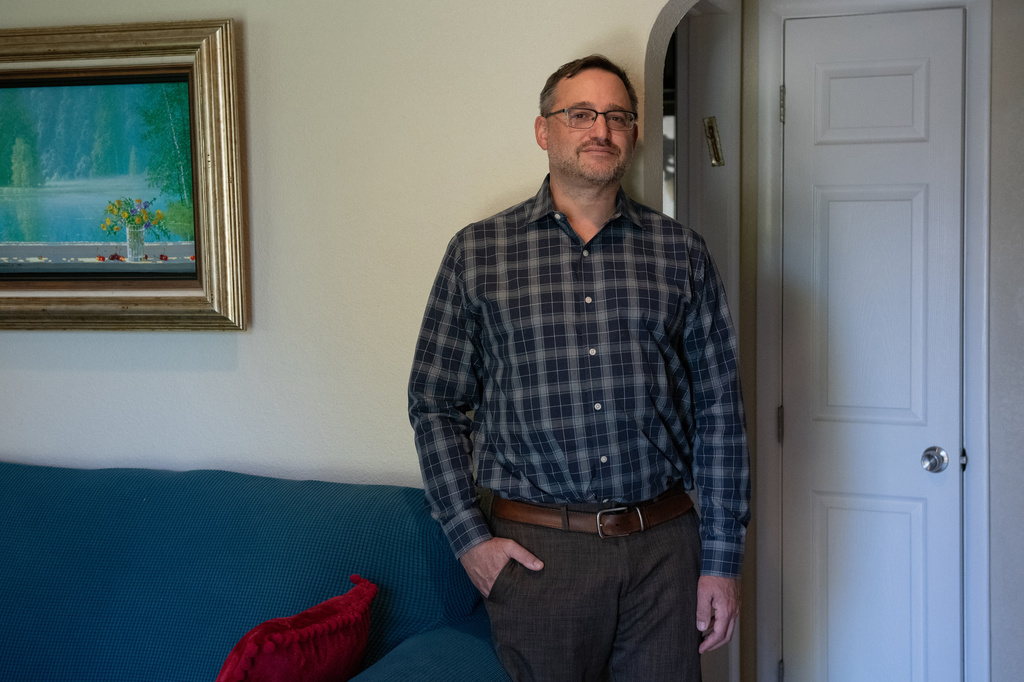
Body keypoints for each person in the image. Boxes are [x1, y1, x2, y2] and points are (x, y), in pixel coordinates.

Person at [408, 54, 750, 682]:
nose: (601, 130)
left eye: (617, 116)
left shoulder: (681, 253)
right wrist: (469, 539)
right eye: (581, 114)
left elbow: (721, 412)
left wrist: (722, 563)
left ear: (634, 133)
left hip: (664, 551)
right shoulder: (478, 254)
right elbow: (435, 404)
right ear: (544, 130)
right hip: (539, 555)